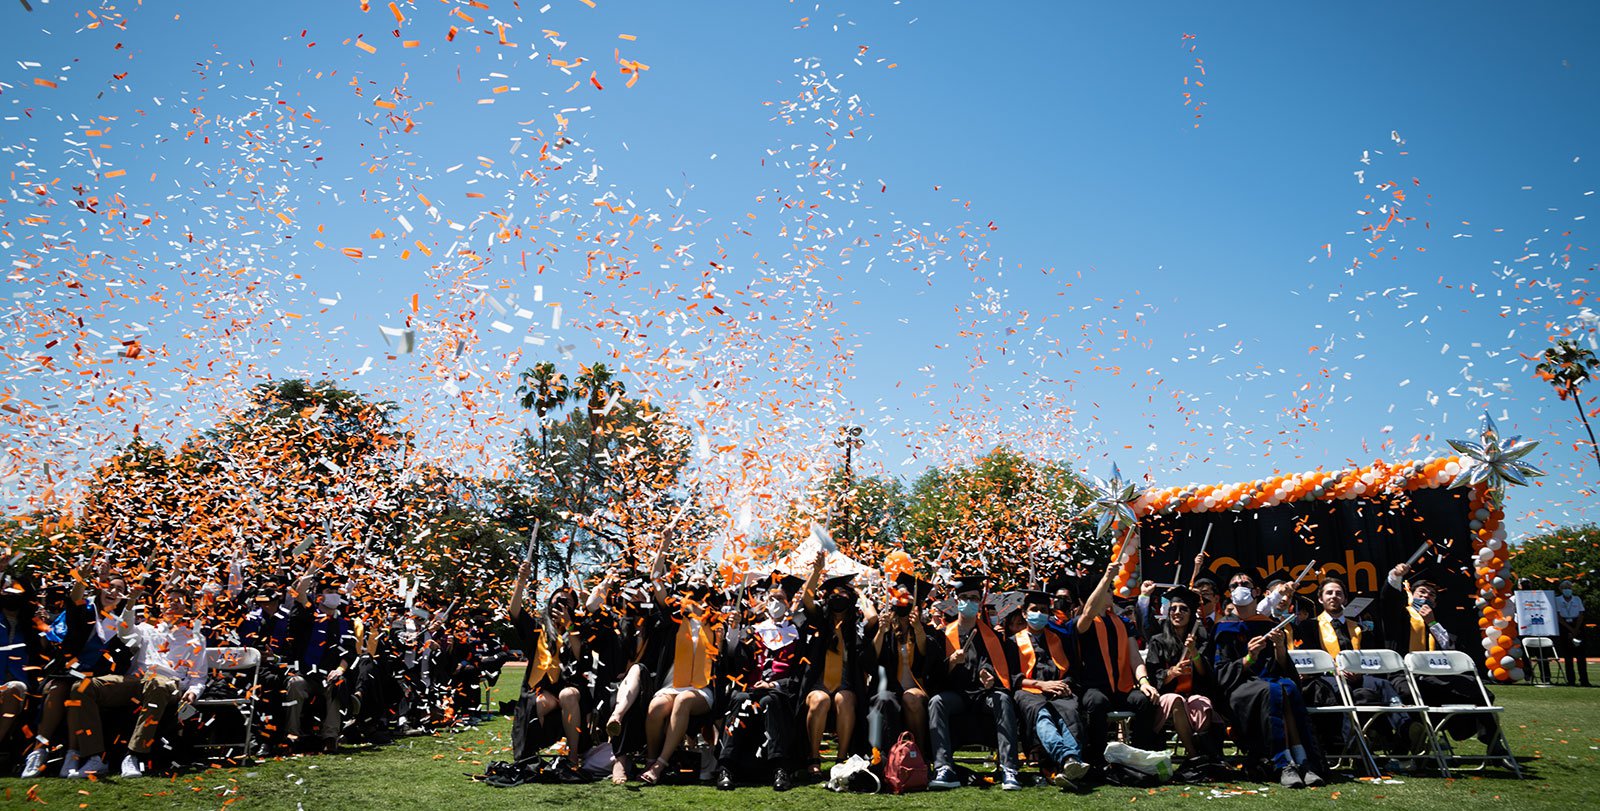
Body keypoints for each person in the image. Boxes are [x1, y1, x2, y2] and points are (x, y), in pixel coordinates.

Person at [66, 583, 209, 778]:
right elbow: (125, 634)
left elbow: (198, 676)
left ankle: (134, 755)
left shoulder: (196, 638)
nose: (172, 604)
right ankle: (93, 757)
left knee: (157, 683)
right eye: (169, 600)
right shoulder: (147, 628)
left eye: (179, 601)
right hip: (136, 680)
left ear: (188, 608)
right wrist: (131, 602)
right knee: (82, 687)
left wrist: (193, 692)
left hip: (169, 684)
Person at [1212, 570, 1326, 788]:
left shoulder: (1267, 624)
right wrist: (1248, 658)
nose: (1239, 587)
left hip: (1270, 681)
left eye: (1245, 584)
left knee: (1288, 687)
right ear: (1229, 593)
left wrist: (1280, 647)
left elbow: (1281, 667)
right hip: (1240, 686)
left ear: (1256, 592)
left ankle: (1303, 761)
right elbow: (1220, 673)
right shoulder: (1223, 627)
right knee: (1271, 690)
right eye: (1234, 585)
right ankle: (1282, 763)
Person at [1046, 561, 1159, 775]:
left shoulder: (1123, 623)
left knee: (1144, 700)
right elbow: (1089, 612)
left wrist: (1144, 682)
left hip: (1122, 688)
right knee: (1097, 702)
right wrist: (1106, 577)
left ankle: (1138, 757)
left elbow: (1135, 657)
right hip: (1093, 688)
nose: (1111, 593)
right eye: (1108, 590)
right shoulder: (1080, 622)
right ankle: (1096, 760)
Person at [1383, 563, 1505, 747]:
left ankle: (1492, 741)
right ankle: (1414, 736)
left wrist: (1432, 622)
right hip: (1405, 675)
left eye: (1431, 594)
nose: (1426, 596)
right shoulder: (1400, 615)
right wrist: (1395, 575)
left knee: (1480, 691)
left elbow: (1450, 649)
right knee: (1409, 693)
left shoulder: (1440, 622)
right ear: (1411, 595)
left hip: (1437, 676)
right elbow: (1389, 599)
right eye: (1421, 592)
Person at [926, 574, 1023, 791]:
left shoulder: (991, 636)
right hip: (956, 695)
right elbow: (935, 676)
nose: (969, 602)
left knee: (1002, 699)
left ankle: (1009, 768)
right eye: (965, 597)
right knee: (937, 702)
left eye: (974, 598)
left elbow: (995, 667)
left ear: (980, 602)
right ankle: (944, 767)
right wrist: (951, 661)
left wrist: (989, 676)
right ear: (957, 600)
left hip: (983, 695)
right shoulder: (943, 635)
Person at [716, 572, 807, 791]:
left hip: (780, 692)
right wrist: (734, 630)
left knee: (770, 701)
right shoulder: (753, 630)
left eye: (780, 599)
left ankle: (779, 768)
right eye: (771, 598)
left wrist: (774, 685)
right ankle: (726, 767)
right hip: (751, 688)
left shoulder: (797, 633)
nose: (775, 603)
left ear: (788, 603)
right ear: (765, 602)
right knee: (740, 700)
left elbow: (800, 672)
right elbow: (733, 658)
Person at [637, 567, 722, 787]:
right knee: (656, 708)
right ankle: (651, 759)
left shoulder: (715, 619)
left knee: (683, 700)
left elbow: (723, 656)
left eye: (703, 582)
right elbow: (656, 582)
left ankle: (660, 765)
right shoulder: (675, 614)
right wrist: (662, 550)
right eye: (694, 581)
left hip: (701, 688)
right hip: (672, 684)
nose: (698, 584)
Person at [1011, 589, 1089, 787]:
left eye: (1043, 610)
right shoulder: (1012, 643)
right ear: (1024, 614)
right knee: (1042, 713)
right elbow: (1011, 677)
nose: (1039, 613)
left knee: (1068, 714)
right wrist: (1041, 684)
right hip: (1028, 692)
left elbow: (1072, 670)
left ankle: (1069, 763)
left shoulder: (1059, 639)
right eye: (1034, 609)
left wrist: (1066, 684)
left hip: (1058, 690)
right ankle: (1068, 758)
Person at [801, 567, 869, 777]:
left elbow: (874, 618)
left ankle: (842, 759)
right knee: (820, 700)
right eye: (834, 594)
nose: (838, 597)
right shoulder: (820, 620)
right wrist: (816, 571)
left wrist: (861, 593)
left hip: (846, 683)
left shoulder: (855, 625)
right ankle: (814, 758)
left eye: (844, 594)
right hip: (818, 683)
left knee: (844, 699)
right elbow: (807, 599)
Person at [1140, 586, 1218, 764]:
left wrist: (1194, 652)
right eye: (1173, 609)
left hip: (1192, 692)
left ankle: (1204, 751)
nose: (1177, 612)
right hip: (1166, 695)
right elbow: (1153, 676)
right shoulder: (1158, 640)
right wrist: (1172, 672)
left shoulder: (1200, 638)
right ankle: (1193, 756)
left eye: (1183, 609)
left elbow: (1205, 674)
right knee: (1176, 700)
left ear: (1191, 614)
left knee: (1202, 703)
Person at [865, 572, 937, 762]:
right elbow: (870, 661)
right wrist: (880, 632)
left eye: (908, 596)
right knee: (885, 699)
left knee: (910, 698)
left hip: (917, 687)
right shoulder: (885, 628)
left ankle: (920, 756)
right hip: (890, 688)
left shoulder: (926, 630)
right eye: (900, 596)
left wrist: (918, 629)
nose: (903, 600)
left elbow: (928, 658)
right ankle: (889, 759)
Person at [290, 572, 356, 752]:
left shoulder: (344, 623)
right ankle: (292, 736)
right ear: (319, 596)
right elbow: (299, 594)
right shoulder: (309, 616)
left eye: (336, 591)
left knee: (338, 685)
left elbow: (349, 652)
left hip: (330, 676)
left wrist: (340, 670)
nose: (334, 594)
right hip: (306, 675)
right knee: (295, 684)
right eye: (329, 591)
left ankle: (330, 737)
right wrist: (313, 567)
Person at [1555, 579, 1590, 687]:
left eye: (1569, 588)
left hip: (1577, 625)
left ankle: (1584, 680)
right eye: (1565, 588)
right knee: (1568, 656)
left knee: (1581, 656)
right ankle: (1571, 680)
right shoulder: (1557, 600)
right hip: (1564, 625)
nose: (1567, 590)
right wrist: (1570, 629)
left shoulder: (1577, 599)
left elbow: (1581, 614)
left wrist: (1576, 629)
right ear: (1561, 589)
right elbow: (1559, 617)